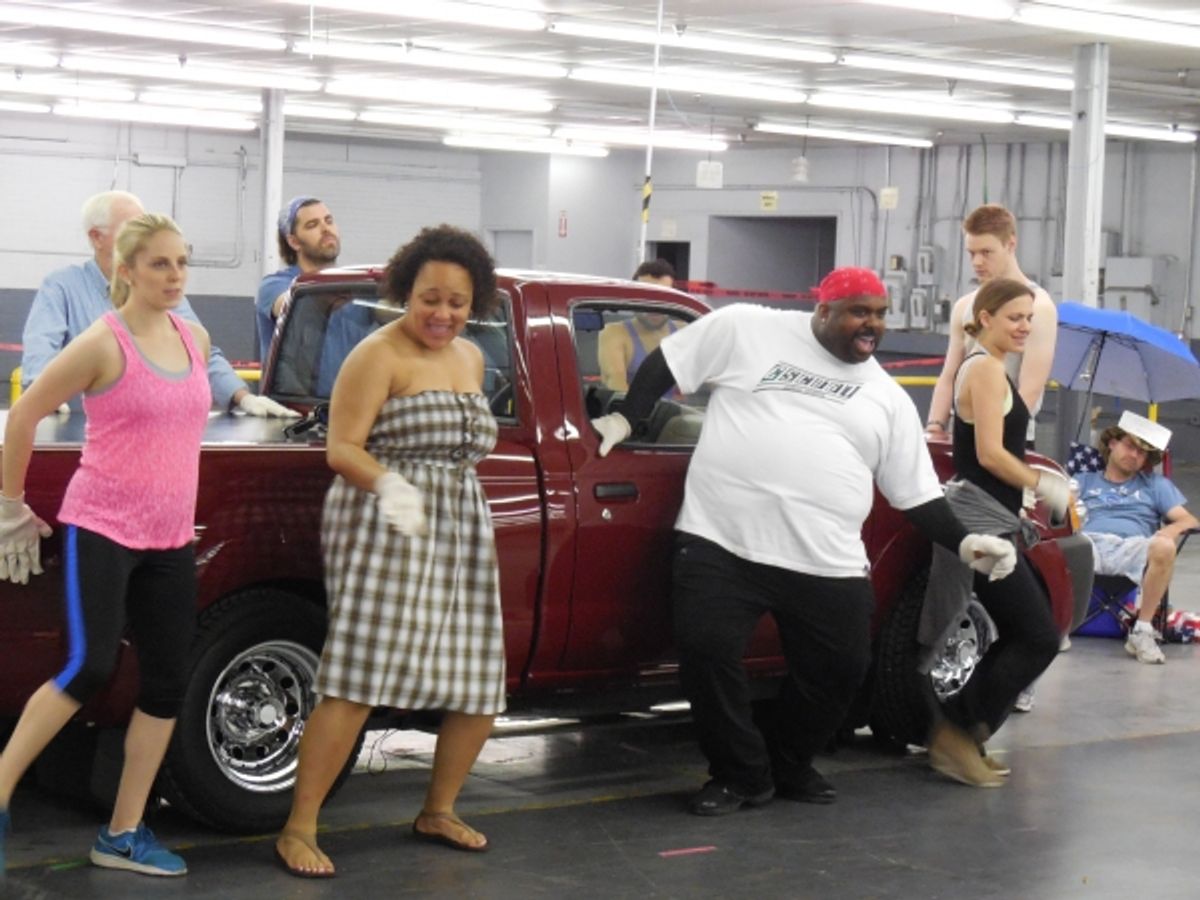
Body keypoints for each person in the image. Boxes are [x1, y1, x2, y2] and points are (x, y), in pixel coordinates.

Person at [591, 266, 1016, 816]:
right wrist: (628, 416)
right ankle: (739, 775)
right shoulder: (749, 329)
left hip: (826, 558)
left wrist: (964, 544)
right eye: (860, 312)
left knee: (840, 670)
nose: (873, 325)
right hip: (721, 540)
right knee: (707, 653)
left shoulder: (885, 397)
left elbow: (915, 492)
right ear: (824, 311)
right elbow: (671, 362)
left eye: (881, 315)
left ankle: (788, 763)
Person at [274, 225, 505, 877]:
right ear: (406, 292)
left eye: (458, 303)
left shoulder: (470, 359)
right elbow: (341, 447)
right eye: (430, 298)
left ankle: (439, 808)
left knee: (478, 680)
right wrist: (390, 485)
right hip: (384, 524)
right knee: (357, 676)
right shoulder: (377, 355)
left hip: (458, 526)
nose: (443, 314)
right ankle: (299, 827)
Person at [0, 214, 212, 878]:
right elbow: (27, 413)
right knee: (90, 667)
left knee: (168, 683)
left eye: (182, 263)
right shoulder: (102, 342)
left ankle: (122, 832)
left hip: (171, 535)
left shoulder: (195, 336)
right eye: (159, 264)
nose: (174, 276)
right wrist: (9, 504)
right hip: (104, 527)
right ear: (125, 270)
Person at [934, 277, 1070, 787]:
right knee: (1036, 636)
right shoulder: (986, 371)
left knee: (1031, 631)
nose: (1025, 328)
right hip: (982, 524)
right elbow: (990, 453)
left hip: (997, 521)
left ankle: (966, 732)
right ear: (985, 317)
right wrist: (1041, 482)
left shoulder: (989, 369)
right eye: (1015, 317)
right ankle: (957, 735)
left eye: (1029, 319)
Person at [21, 191, 295, 418]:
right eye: (132, 228)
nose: (146, 237)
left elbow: (203, 356)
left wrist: (243, 398)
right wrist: (44, 399)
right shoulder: (61, 287)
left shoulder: (163, 292)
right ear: (96, 237)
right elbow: (40, 349)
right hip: (83, 437)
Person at [925, 204, 1057, 447]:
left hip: (1010, 437)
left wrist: (995, 440)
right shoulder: (964, 306)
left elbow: (1030, 389)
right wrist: (935, 426)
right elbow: (949, 375)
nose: (977, 262)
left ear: (1010, 244)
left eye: (986, 252)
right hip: (963, 433)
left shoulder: (1039, 307)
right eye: (971, 253)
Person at [1075, 411, 1199, 665]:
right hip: (1088, 544)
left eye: (1141, 453)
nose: (1134, 455)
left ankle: (1142, 631)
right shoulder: (1083, 481)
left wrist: (1170, 531)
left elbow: (1189, 521)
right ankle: (1058, 624)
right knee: (1058, 542)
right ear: (1112, 443)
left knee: (1164, 545)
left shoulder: (1154, 484)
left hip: (1134, 548)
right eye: (1130, 446)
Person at [255, 196, 342, 363]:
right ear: (294, 242)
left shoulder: (354, 285)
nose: (325, 229)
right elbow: (297, 306)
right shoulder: (274, 286)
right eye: (312, 225)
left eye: (328, 221)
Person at [597, 259, 682, 391]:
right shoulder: (615, 334)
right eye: (647, 296)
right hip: (632, 411)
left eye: (663, 296)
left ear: (674, 299)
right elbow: (617, 389)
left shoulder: (685, 331)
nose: (655, 305)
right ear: (634, 298)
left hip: (681, 411)